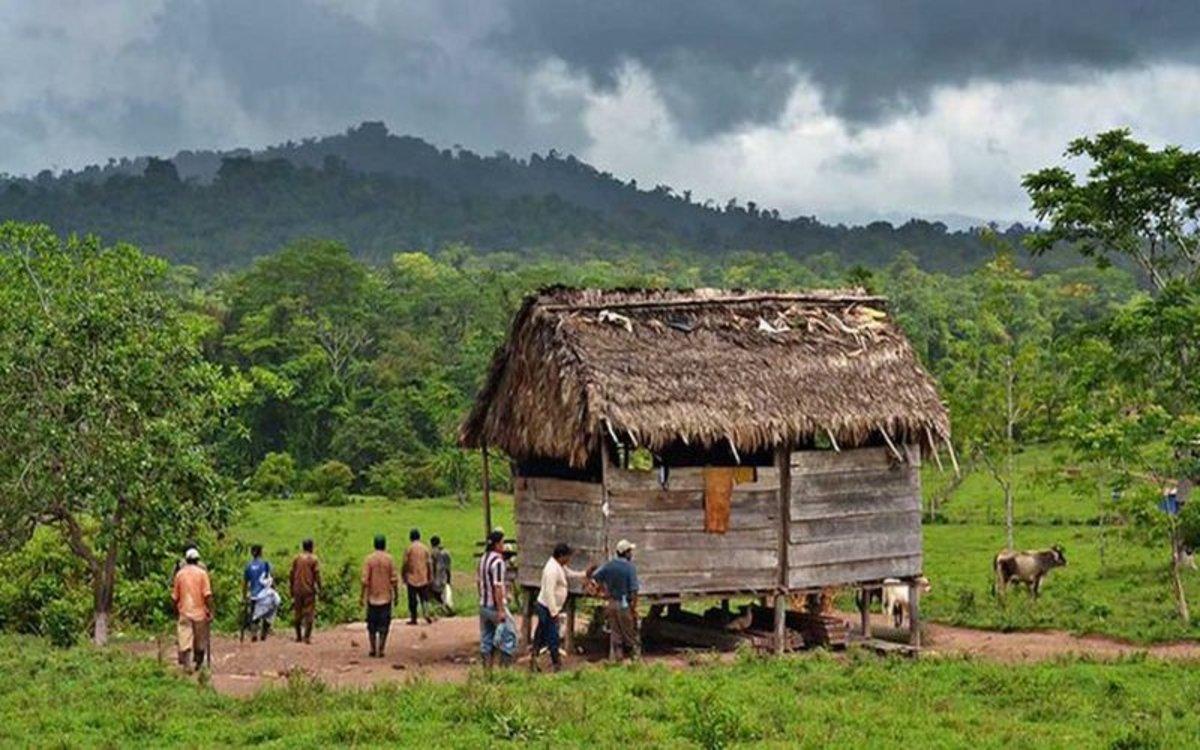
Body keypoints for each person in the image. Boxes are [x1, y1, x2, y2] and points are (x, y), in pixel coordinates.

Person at [531, 543, 585, 672]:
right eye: (567, 557)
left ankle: (535, 657)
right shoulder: (551, 570)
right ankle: (556, 663)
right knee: (552, 635)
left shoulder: (558, 566)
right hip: (547, 607)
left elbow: (569, 573)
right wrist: (554, 612)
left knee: (542, 633)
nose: (569, 559)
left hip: (547, 607)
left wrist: (583, 574)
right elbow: (549, 592)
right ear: (561, 556)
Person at [590, 539, 641, 661]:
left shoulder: (609, 565)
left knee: (616, 633)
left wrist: (603, 589)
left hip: (612, 603)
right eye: (630, 551)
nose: (631, 554)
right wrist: (633, 609)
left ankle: (618, 660)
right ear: (626, 553)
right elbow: (634, 590)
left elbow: (595, 576)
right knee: (629, 634)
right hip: (624, 604)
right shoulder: (630, 568)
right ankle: (632, 662)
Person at [477, 529, 515, 669]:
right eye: (502, 543)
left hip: (484, 605)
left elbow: (478, 581)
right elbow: (498, 586)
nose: (503, 546)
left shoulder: (483, 559)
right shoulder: (498, 562)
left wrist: (482, 597)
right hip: (494, 606)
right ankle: (505, 672)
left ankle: (487, 672)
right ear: (497, 545)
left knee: (486, 638)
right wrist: (501, 610)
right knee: (509, 636)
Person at [171, 547, 214, 673]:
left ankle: (187, 664)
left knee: (185, 638)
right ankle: (199, 664)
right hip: (200, 613)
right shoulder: (202, 574)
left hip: (184, 611)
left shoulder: (179, 574)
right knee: (200, 641)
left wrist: (175, 610)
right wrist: (211, 611)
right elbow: (207, 595)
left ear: (187, 560)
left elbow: (174, 597)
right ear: (197, 560)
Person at [361, 534, 399, 658]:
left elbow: (364, 580)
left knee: (371, 625)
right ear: (385, 545)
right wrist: (396, 595)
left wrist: (361, 596)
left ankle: (372, 648)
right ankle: (381, 649)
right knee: (384, 625)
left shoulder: (369, 559)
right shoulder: (389, 559)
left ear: (374, 544)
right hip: (386, 597)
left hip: (372, 598)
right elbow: (394, 580)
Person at [289, 538, 321, 643]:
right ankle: (307, 637)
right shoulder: (314, 559)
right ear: (311, 547)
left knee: (297, 612)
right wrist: (320, 587)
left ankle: (298, 636)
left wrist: (291, 587)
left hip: (297, 589)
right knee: (309, 613)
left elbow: (291, 574)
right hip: (308, 589)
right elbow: (317, 575)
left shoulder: (296, 558)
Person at [242, 544, 274, 641]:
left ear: (252, 553)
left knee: (254, 614)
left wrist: (244, 595)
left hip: (253, 594)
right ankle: (264, 633)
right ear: (261, 552)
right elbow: (270, 578)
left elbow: (245, 582)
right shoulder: (265, 564)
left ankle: (254, 633)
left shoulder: (248, 566)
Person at [402, 528, 433, 625]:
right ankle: (426, 613)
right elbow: (429, 563)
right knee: (425, 598)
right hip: (423, 576)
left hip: (412, 577)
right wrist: (430, 575)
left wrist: (404, 574)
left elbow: (405, 563)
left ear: (410, 537)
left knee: (412, 600)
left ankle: (414, 618)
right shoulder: (425, 548)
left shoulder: (409, 548)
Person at [429, 535, 454, 615]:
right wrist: (449, 579)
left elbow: (432, 566)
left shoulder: (433, 553)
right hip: (444, 577)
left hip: (436, 578)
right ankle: (446, 609)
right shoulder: (446, 553)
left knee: (434, 595)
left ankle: (443, 609)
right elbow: (448, 567)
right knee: (444, 595)